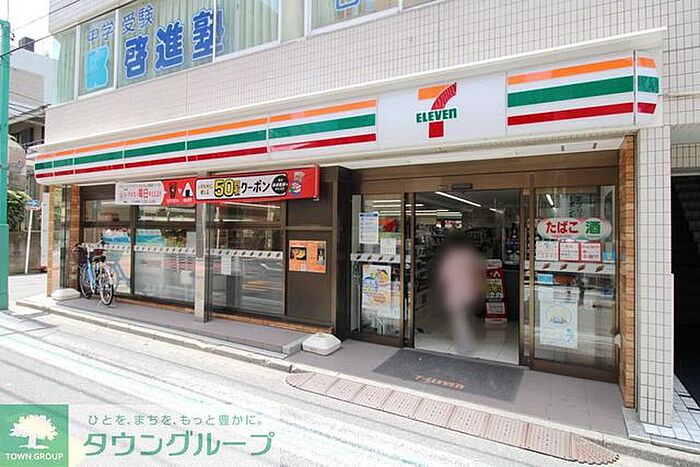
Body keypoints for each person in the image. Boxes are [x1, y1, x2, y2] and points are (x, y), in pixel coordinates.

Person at [430, 233, 486, 355]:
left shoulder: (450, 257)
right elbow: (481, 269)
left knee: (459, 319)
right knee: (467, 316)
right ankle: (468, 340)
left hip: (455, 293)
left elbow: (443, 277)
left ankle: (465, 345)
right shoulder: (470, 254)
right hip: (470, 292)